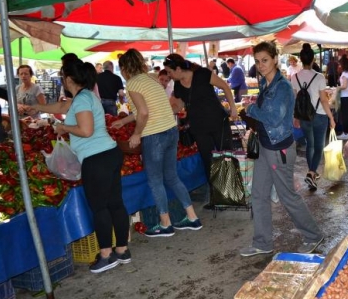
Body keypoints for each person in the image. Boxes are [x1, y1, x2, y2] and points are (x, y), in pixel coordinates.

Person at [29, 58, 130, 273]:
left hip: (96, 158)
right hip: (109, 154)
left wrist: (62, 127)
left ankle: (106, 255)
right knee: (115, 203)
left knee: (100, 207)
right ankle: (122, 249)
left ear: (68, 78)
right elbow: (62, 105)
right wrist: (36, 106)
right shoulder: (84, 96)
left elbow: (86, 130)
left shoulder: (83, 99)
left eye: (62, 76)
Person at [239, 41, 323, 256]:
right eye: (257, 61)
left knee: (287, 196)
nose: (261, 65)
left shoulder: (282, 86)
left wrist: (250, 109)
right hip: (267, 146)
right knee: (258, 195)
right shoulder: (266, 84)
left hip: (280, 149)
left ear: (275, 59)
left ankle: (313, 235)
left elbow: (275, 119)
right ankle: (262, 243)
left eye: (265, 60)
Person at [114, 49, 202, 237]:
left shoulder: (132, 83)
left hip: (154, 135)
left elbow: (144, 113)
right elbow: (147, 110)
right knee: (172, 177)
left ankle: (165, 224)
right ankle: (192, 217)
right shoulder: (151, 79)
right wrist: (125, 121)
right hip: (171, 130)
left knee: (155, 180)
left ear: (124, 67)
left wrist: (137, 133)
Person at [164, 53, 236, 210]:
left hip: (218, 122)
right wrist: (168, 109)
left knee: (226, 157)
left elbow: (224, 86)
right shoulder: (178, 85)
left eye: (169, 72)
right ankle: (217, 198)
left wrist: (233, 108)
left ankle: (231, 195)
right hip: (198, 127)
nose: (168, 75)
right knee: (208, 161)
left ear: (177, 68)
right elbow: (179, 106)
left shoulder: (202, 74)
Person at [291, 43, 336, 190]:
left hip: (304, 116)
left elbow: (295, 100)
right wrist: (331, 117)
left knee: (310, 145)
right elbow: (324, 100)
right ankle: (311, 173)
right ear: (312, 60)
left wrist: (295, 117)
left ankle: (311, 174)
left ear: (301, 60)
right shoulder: (319, 77)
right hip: (320, 116)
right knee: (318, 147)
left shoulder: (294, 77)